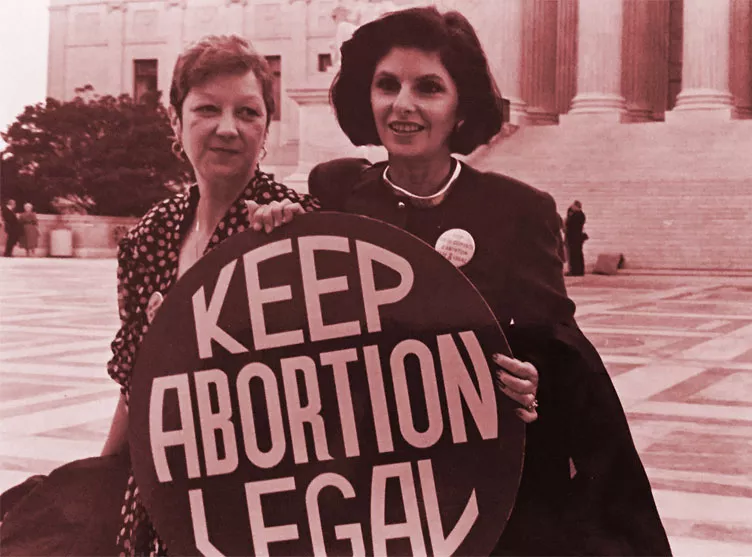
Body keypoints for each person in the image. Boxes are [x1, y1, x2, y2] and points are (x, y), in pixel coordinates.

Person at [258, 7, 671, 556]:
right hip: (372, 497)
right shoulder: (336, 192)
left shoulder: (519, 210)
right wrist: (274, 232)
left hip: (486, 495)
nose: (403, 105)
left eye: (428, 87)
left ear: (461, 108)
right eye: (387, 85)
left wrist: (534, 381)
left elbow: (559, 353)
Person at [0, 34, 319, 556]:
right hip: (159, 484)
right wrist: (103, 476)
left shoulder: (290, 223)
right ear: (176, 121)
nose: (227, 128)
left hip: (258, 496)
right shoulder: (154, 232)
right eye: (207, 110)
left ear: (266, 128)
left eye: (248, 112)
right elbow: (135, 382)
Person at [565, 200, 587, 276]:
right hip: (577, 237)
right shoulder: (581, 215)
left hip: (574, 238)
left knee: (574, 255)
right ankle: (579, 271)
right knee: (577, 254)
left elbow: (569, 224)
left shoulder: (577, 215)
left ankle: (575, 271)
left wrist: (569, 213)